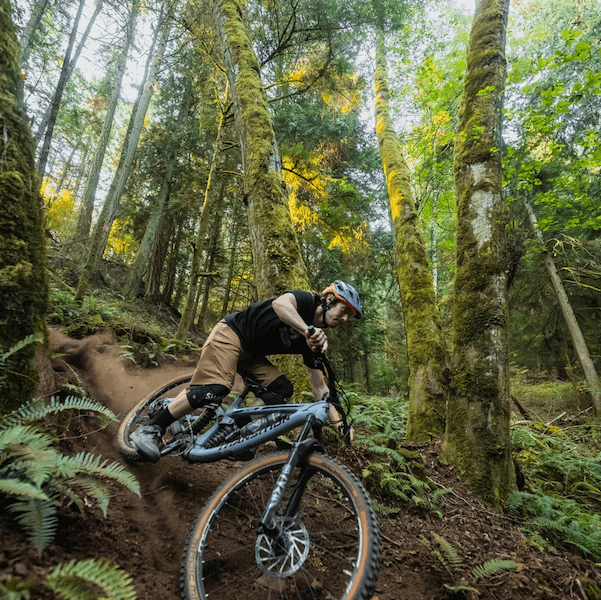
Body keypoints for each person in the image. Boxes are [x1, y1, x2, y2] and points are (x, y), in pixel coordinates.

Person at [131, 280, 362, 462]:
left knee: (281, 389)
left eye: (348, 317)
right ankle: (152, 429)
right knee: (216, 388)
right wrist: (307, 330)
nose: (344, 318)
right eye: (343, 310)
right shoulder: (304, 301)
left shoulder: (314, 341)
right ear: (329, 299)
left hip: (252, 355)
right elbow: (280, 305)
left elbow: (320, 388)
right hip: (232, 333)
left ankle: (235, 434)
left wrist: (340, 426)